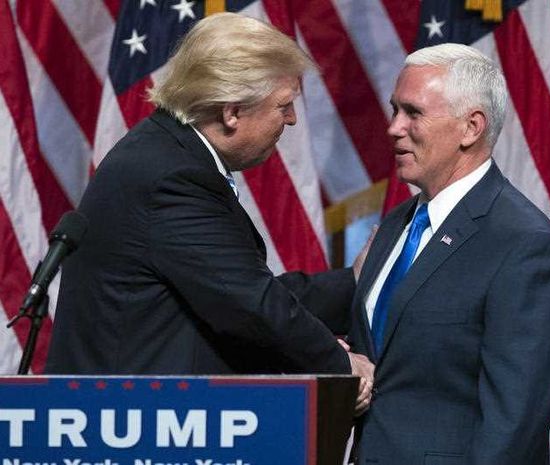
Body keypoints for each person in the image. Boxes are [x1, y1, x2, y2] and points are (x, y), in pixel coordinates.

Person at [46, 12, 373, 412]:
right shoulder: (172, 177)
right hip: (136, 426)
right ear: (231, 112)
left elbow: (233, 288)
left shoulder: (167, 152)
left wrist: (354, 281)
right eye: (284, 105)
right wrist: (343, 366)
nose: (290, 119)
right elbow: (249, 304)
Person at [347, 43, 550, 464]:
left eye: (413, 113)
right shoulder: (395, 226)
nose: (393, 127)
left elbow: (515, 421)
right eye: (394, 109)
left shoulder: (524, 245)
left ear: (471, 127)